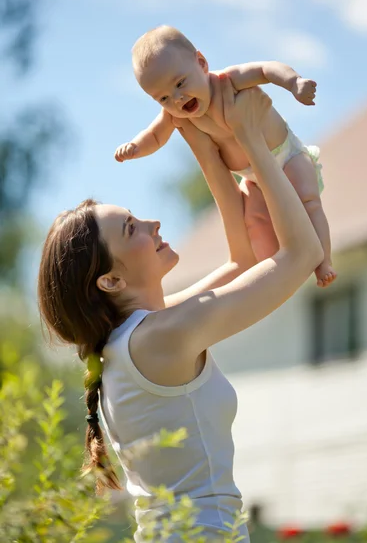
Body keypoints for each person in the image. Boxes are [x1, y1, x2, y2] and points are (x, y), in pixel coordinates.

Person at [38, 76, 323, 542]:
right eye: (132, 229)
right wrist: (251, 138)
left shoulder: (141, 337)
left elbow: (243, 261)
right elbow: (301, 254)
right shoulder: (159, 339)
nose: (154, 223)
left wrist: (200, 142)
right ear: (110, 281)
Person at [114, 25, 335, 288]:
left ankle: (325, 263)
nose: (177, 98)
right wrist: (135, 147)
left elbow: (266, 70)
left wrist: (293, 83)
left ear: (202, 63)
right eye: (163, 97)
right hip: (252, 178)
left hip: (287, 156)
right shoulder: (176, 114)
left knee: (309, 203)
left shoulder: (228, 81)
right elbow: (155, 136)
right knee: (254, 221)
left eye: (180, 83)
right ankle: (274, 268)